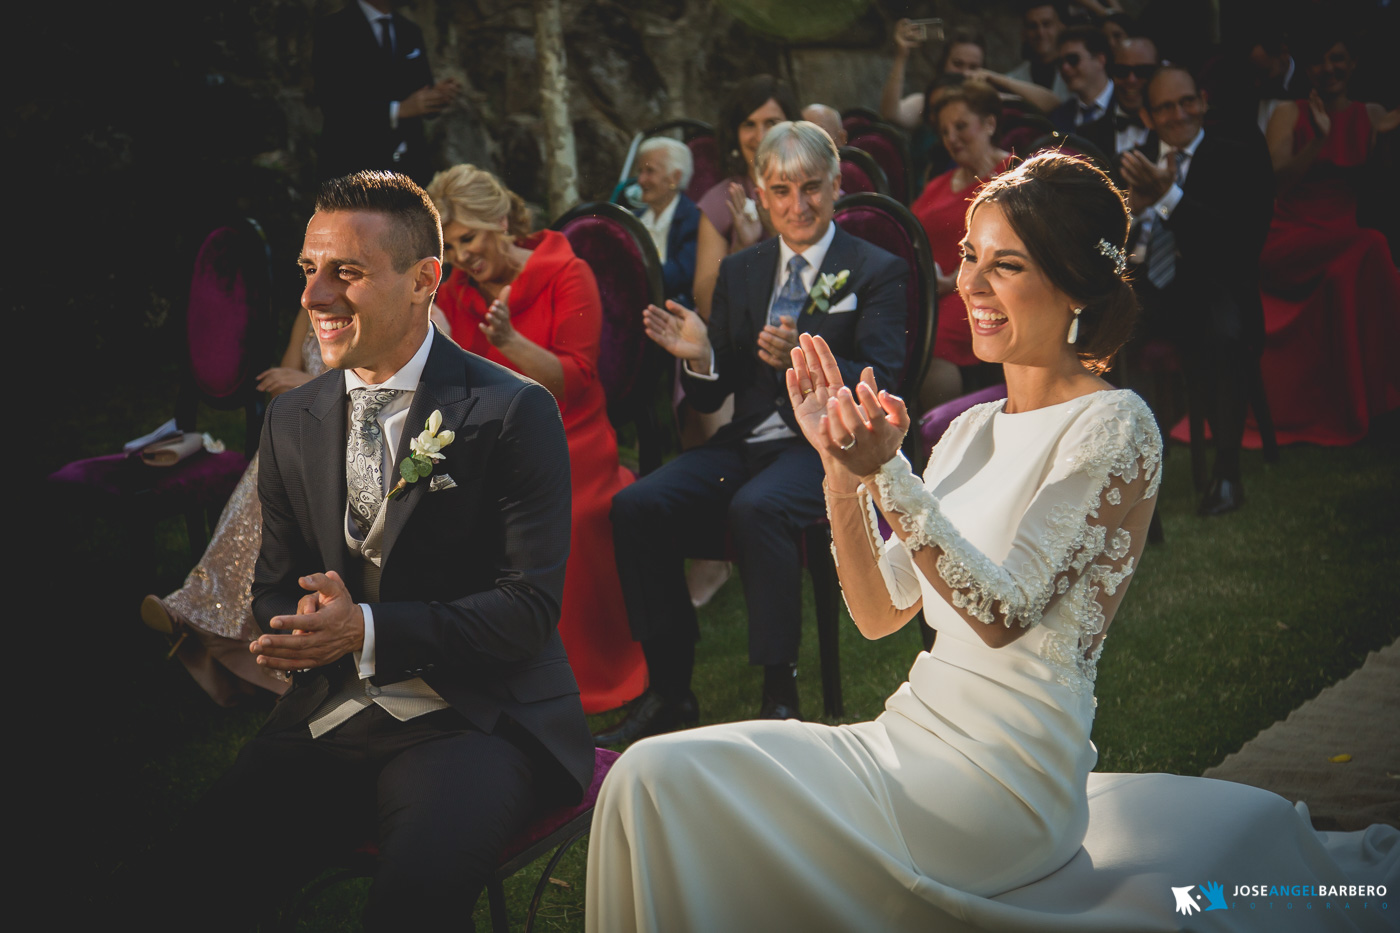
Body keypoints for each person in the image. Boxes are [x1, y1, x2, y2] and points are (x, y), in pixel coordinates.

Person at [585, 152, 1399, 932]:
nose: (968, 283)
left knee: (663, 778)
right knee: (645, 783)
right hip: (910, 735)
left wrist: (891, 476)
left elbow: (1005, 609)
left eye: (1005, 265)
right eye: (971, 256)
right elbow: (879, 612)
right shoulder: (970, 428)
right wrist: (841, 471)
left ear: (1075, 282)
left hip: (1007, 787)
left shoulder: (1114, 425)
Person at [148, 170, 593, 930]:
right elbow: (272, 587)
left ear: (424, 280)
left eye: (345, 273)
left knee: (410, 908)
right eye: (308, 270)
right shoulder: (293, 418)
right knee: (187, 875)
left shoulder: (513, 412)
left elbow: (527, 610)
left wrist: (369, 630)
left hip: (477, 717)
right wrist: (295, 629)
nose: (315, 297)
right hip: (334, 711)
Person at [596, 122, 907, 742]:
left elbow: (886, 376)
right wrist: (702, 354)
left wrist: (814, 359)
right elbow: (715, 391)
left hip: (830, 447)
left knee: (757, 507)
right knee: (637, 505)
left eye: (813, 188)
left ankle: (779, 693)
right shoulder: (743, 271)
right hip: (747, 440)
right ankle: (669, 688)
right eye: (782, 191)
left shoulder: (875, 268)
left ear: (837, 185)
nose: (799, 205)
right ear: (761, 196)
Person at [427, 163, 647, 715]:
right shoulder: (454, 292)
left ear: (501, 219)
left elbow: (574, 383)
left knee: (543, 518)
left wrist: (507, 341)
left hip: (570, 436)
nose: (463, 258)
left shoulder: (568, 273)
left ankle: (579, 676)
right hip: (488, 442)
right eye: (450, 247)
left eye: (469, 238)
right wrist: (444, 348)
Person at [138, 315, 323, 705]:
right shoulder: (307, 311)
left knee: (274, 471)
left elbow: (379, 389)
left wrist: (306, 385)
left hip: (346, 436)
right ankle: (204, 606)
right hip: (303, 426)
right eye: (308, 266)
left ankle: (197, 606)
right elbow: (280, 384)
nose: (313, 285)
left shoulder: (377, 309)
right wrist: (295, 389)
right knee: (270, 465)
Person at [1121, 66, 1274, 516]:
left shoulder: (1239, 153)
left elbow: (1237, 244)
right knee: (1090, 333)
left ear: (1203, 102)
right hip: (1145, 285)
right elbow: (1100, 244)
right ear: (1148, 116)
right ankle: (1122, 472)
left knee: (1223, 336)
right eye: (1165, 106)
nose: (1179, 114)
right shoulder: (1132, 157)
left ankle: (1227, 475)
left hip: (1215, 284)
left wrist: (1169, 196)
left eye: (1187, 101)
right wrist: (1133, 208)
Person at [1255, 35, 1400, 448]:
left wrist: (1386, 136)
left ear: (1353, 64)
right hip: (1287, 237)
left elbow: (1383, 189)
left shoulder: (1370, 114)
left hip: (1343, 242)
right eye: (1319, 62)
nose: (1329, 69)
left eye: (1337, 59)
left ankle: (1374, 405)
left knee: (1362, 257)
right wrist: (1318, 139)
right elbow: (1274, 185)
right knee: (1372, 247)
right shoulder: (1289, 112)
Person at [909, 81, 1014, 411]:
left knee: (931, 339)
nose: (951, 139)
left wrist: (955, 278)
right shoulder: (939, 182)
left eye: (961, 127)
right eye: (944, 131)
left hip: (979, 287)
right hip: (926, 290)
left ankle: (944, 436)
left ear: (990, 124)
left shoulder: (1012, 174)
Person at [313, 0, 460, 185]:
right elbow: (333, 102)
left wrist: (435, 96)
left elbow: (419, 92)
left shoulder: (409, 30)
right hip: (354, 165)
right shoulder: (332, 29)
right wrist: (398, 110)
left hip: (410, 167)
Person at [692, 74, 801, 322]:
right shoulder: (721, 200)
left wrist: (776, 233)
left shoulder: (816, 195)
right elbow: (708, 307)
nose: (760, 136)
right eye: (748, 125)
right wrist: (742, 249)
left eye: (771, 123)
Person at [632, 137, 702, 308]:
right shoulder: (633, 219)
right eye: (640, 171)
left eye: (650, 171)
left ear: (675, 178)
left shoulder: (694, 220)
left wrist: (629, 277)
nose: (641, 180)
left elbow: (681, 274)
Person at [1048, 26, 1118, 159]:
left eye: (1073, 60)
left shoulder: (1126, 103)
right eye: (1060, 62)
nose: (1065, 68)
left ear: (1100, 60)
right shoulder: (1059, 117)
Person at [1106, 35, 1159, 159]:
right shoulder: (1087, 134)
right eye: (1122, 71)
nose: (1131, 80)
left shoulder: (1174, 132)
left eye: (1143, 71)